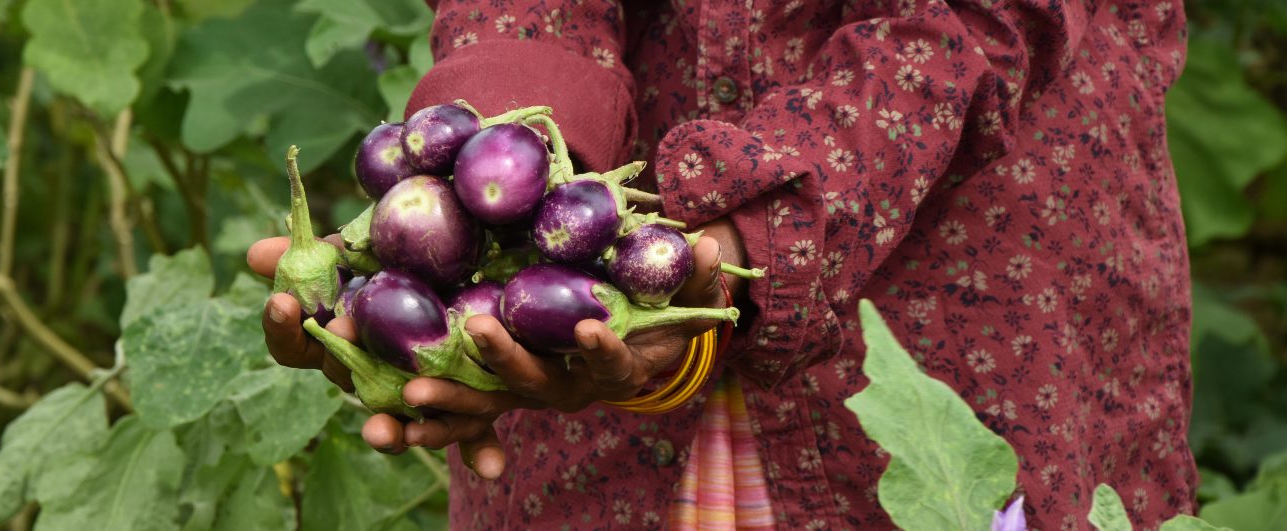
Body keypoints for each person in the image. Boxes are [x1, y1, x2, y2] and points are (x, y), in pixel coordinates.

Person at [248, 0, 1197, 528]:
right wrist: (506, 143)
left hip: (955, 269)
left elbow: (963, 22)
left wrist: (753, 239)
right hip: (604, 324)